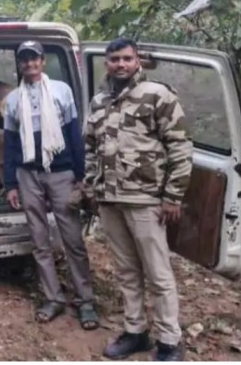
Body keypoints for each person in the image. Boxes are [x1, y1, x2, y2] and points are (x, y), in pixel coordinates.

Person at [83, 37, 192, 361]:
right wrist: (91, 188)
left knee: (158, 273)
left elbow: (180, 148)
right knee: (126, 271)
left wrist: (172, 197)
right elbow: (90, 148)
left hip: (146, 200)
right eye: (114, 59)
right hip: (110, 200)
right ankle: (136, 332)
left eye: (126, 58)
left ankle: (169, 340)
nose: (121, 64)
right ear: (107, 63)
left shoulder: (158, 95)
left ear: (137, 61)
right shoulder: (99, 101)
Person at [2, 40, 99, 330]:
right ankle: (53, 298)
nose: (30, 64)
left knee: (73, 239)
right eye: (24, 60)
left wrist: (81, 175)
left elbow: (74, 135)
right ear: (19, 65)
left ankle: (85, 301)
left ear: (43, 61)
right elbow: (10, 145)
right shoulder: (12, 99)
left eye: (34, 59)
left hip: (61, 173)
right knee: (39, 241)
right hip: (28, 174)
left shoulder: (61, 91)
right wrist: (11, 183)